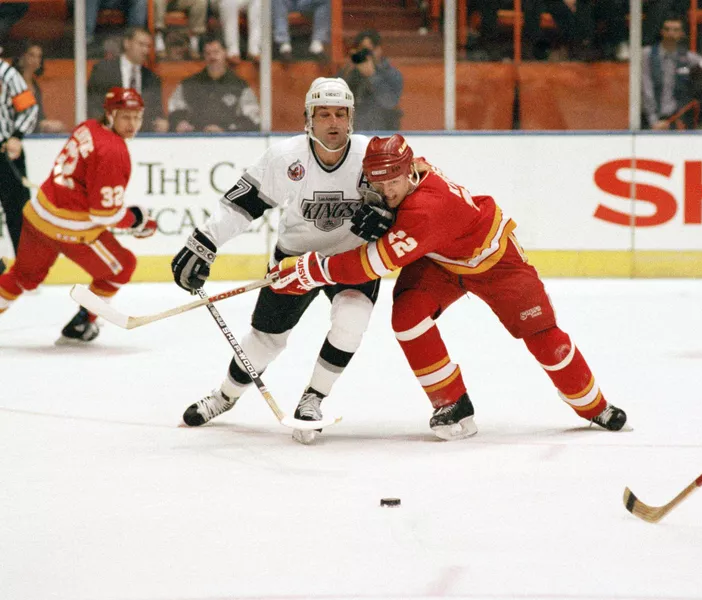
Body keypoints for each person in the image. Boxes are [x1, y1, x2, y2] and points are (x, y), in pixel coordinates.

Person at [269, 135, 628, 440]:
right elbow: (394, 203)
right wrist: (387, 210)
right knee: (408, 316)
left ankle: (595, 406)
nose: (384, 190)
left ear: (409, 172)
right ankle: (452, 404)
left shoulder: (428, 210)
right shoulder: (408, 170)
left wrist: (309, 270)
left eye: (392, 181)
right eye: (377, 183)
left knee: (545, 338)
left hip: (497, 262)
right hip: (441, 260)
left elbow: (373, 263)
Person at [170, 77, 379, 444]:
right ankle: (225, 396)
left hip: (352, 260)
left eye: (340, 115)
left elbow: (409, 199)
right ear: (308, 119)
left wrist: (390, 218)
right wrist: (204, 241)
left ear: (352, 119)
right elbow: (241, 206)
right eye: (324, 114)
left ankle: (313, 400)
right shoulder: (286, 158)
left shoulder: (373, 156)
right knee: (266, 341)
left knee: (352, 321)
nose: (333, 123)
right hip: (295, 261)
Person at [0, 88, 157, 343]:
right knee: (122, 266)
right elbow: (104, 214)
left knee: (21, 277)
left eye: (137, 117)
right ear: (111, 114)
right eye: (126, 117)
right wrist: (136, 220)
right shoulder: (113, 150)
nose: (133, 124)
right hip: (71, 230)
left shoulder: (87, 127)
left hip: (38, 217)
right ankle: (81, 326)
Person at [167, 34, 260, 133]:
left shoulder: (239, 85)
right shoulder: (189, 84)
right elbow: (174, 110)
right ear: (203, 56)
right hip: (195, 139)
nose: (212, 57)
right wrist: (180, 123)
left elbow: (253, 119)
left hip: (228, 141)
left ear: (225, 53)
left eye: (216, 52)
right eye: (208, 53)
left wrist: (226, 131)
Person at [88, 27, 169, 133]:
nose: (145, 50)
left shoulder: (152, 78)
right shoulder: (104, 70)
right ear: (127, 43)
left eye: (148, 46)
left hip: (143, 137)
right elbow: (92, 104)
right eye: (141, 44)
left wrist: (162, 122)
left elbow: (156, 111)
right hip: (109, 135)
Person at [0, 53, 38, 277]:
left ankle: (28, 269)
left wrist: (16, 135)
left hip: (5, 153)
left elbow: (29, 108)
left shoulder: (6, 74)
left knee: (18, 212)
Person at [641, 16, 702, 130]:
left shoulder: (689, 58)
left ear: (681, 33)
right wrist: (653, 120)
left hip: (677, 119)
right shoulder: (647, 54)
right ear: (662, 32)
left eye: (675, 30)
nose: (671, 33)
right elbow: (646, 88)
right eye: (667, 29)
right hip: (651, 119)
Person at [338, 29, 403, 130]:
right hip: (355, 131)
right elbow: (335, 97)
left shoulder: (391, 74)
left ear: (378, 49)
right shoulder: (351, 71)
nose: (365, 55)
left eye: (367, 50)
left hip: (382, 133)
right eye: (361, 50)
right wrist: (348, 69)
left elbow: (389, 102)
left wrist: (372, 76)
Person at [13, 42, 65, 134]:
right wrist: (41, 124)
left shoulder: (36, 87)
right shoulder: (14, 83)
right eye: (31, 55)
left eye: (39, 56)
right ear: (22, 57)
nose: (35, 60)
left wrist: (46, 124)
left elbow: (39, 115)